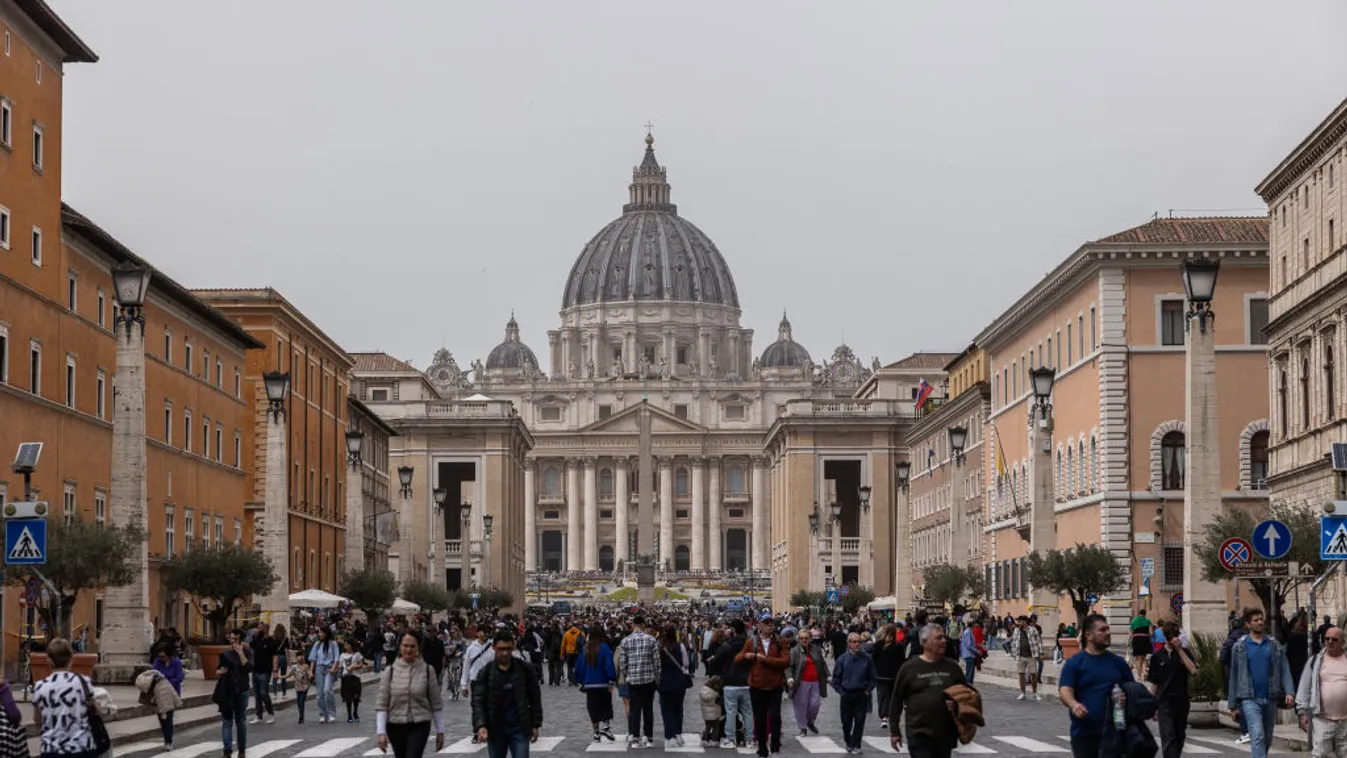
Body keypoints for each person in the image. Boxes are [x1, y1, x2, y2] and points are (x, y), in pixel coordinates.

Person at [1058, 614, 1133, 758]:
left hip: (1116, 731)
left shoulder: (1118, 662)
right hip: (1085, 733)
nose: (1108, 633)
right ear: (1088, 636)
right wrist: (1074, 705)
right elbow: (1065, 690)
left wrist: (1127, 696)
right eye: (1102, 630)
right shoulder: (1075, 663)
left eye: (1108, 629)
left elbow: (1132, 688)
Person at [889, 624, 965, 758]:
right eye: (938, 638)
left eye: (944, 637)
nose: (944, 641)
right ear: (924, 642)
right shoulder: (909, 668)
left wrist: (957, 705)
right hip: (919, 733)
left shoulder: (953, 668)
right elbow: (896, 700)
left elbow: (967, 696)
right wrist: (895, 731)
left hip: (945, 734)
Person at [1228, 607, 1295, 758]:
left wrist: (1290, 692)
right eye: (1256, 620)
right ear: (1248, 624)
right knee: (1257, 735)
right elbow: (1234, 675)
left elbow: (1284, 669)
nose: (1260, 622)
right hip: (1250, 698)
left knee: (1267, 736)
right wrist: (1233, 705)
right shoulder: (1239, 647)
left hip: (1270, 697)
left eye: (1261, 619)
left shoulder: (1274, 645)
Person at [471, 630, 543, 758]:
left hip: (519, 728)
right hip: (495, 728)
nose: (505, 653)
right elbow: (478, 701)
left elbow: (535, 698)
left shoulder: (525, 669)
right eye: (501, 649)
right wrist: (481, 725)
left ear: (513, 647)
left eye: (508, 649)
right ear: (493, 648)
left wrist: (535, 724)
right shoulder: (485, 672)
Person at [376, 632, 446, 758]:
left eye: (412, 646)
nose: (408, 649)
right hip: (395, 725)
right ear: (400, 647)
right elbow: (382, 703)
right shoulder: (390, 671)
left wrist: (440, 731)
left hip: (420, 724)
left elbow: (436, 703)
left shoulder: (427, 670)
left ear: (418, 648)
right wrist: (381, 732)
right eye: (405, 645)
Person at [33, 638, 98, 758]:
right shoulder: (83, 682)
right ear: (71, 659)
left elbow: (38, 720)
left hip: (51, 749)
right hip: (82, 747)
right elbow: (94, 710)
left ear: (49, 660)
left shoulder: (40, 686)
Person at [736, 615, 790, 758]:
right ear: (759, 625)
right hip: (757, 686)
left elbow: (785, 661)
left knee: (775, 717)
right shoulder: (752, 641)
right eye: (766, 623)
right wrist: (746, 656)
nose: (770, 625)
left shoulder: (780, 641)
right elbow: (737, 658)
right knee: (759, 719)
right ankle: (762, 748)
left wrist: (765, 659)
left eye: (771, 623)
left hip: (775, 685)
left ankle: (775, 747)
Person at [1146, 621, 1196, 758]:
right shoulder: (1157, 657)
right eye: (1170, 636)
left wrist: (1180, 650)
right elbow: (1154, 683)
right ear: (1165, 636)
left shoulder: (1184, 652)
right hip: (1164, 702)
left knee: (1179, 736)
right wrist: (1151, 706)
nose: (1173, 639)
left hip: (1181, 701)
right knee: (1168, 737)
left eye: (1175, 635)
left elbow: (1193, 670)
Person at [1295, 625, 1347, 758]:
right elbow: (1304, 687)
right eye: (1327, 638)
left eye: (1334, 639)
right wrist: (1302, 712)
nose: (1330, 642)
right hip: (1322, 719)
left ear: (1342, 642)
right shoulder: (1315, 661)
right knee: (1321, 754)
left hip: (1345, 721)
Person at [618, 616, 661, 748]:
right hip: (649, 679)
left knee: (634, 710)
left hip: (633, 680)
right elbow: (656, 662)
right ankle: (649, 738)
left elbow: (622, 663)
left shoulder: (625, 641)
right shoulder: (651, 639)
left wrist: (628, 674)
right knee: (648, 709)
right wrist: (657, 677)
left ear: (632, 625)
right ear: (643, 625)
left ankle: (636, 738)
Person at [830, 633, 877, 755]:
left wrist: (867, 690)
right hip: (846, 694)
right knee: (846, 722)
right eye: (854, 642)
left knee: (859, 721)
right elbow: (835, 679)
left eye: (859, 642)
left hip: (861, 694)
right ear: (849, 643)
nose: (857, 644)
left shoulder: (867, 658)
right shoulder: (842, 659)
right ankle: (848, 740)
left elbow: (873, 677)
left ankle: (856, 744)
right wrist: (841, 692)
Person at [573, 626, 617, 743]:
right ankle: (606, 727)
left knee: (593, 708)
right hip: (603, 683)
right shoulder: (604, 648)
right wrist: (611, 679)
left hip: (589, 684)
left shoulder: (585, 649)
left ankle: (596, 732)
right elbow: (609, 665)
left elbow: (579, 667)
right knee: (606, 705)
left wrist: (579, 680)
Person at [215, 628, 255, 758]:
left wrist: (240, 652)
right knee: (227, 721)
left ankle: (242, 749)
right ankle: (227, 751)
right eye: (231, 639)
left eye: (235, 639)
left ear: (240, 640)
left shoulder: (248, 652)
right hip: (228, 690)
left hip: (242, 690)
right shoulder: (226, 653)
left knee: (240, 721)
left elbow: (248, 668)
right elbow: (217, 670)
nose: (232, 642)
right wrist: (221, 672)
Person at [716, 619, 754, 749]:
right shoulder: (750, 643)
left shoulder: (727, 644)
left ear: (733, 630)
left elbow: (717, 661)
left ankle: (731, 738)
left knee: (731, 712)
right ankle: (749, 739)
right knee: (748, 712)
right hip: (746, 682)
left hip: (730, 682)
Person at [786, 628, 829, 736]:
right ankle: (803, 727)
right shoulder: (794, 651)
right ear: (798, 639)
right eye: (801, 638)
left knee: (815, 704)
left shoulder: (816, 649)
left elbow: (822, 663)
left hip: (815, 681)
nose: (804, 640)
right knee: (801, 706)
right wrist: (790, 678)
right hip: (801, 682)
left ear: (810, 639)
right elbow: (789, 666)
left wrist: (828, 675)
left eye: (806, 638)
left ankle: (810, 721)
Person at [657, 626, 693, 746]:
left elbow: (657, 665)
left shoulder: (660, 647)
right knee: (678, 708)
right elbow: (686, 663)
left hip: (665, 681)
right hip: (679, 680)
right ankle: (678, 733)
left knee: (666, 709)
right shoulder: (680, 646)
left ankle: (669, 736)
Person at [151, 644, 186, 749]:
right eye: (159, 656)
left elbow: (179, 678)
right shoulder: (157, 662)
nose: (161, 658)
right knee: (161, 717)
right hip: (159, 693)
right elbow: (154, 673)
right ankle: (166, 737)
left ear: (169, 655)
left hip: (171, 693)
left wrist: (165, 681)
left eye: (163, 656)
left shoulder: (176, 662)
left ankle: (168, 741)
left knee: (168, 717)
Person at [870, 624, 903, 731]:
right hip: (886, 676)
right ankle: (887, 716)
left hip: (888, 675)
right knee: (887, 697)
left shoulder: (895, 646)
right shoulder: (881, 645)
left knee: (887, 697)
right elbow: (873, 659)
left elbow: (901, 661)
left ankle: (887, 716)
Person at [308, 627, 341, 724]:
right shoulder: (317, 644)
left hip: (329, 669)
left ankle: (331, 713)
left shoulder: (333, 644)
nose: (319, 634)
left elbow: (337, 658)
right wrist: (311, 671)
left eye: (321, 632)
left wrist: (333, 668)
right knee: (319, 694)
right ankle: (322, 714)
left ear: (326, 633)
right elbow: (313, 659)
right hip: (319, 669)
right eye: (319, 632)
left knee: (327, 690)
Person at [1008, 615, 1043, 702]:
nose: (1018, 623)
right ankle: (1023, 693)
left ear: (1024, 621)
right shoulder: (1016, 630)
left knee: (1033, 674)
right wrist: (1013, 653)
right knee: (1021, 674)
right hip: (1020, 656)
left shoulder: (1032, 629)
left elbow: (1038, 641)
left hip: (1031, 655)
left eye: (1020, 621)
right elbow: (1013, 642)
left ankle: (1035, 693)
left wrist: (1041, 652)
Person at [249, 623, 278, 725]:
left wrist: (275, 670)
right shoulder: (256, 640)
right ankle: (258, 716)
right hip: (255, 670)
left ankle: (270, 714)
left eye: (260, 628)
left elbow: (275, 656)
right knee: (257, 695)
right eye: (258, 628)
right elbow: (248, 645)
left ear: (266, 629)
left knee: (264, 694)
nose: (258, 629)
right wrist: (253, 636)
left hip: (265, 671)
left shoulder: (271, 641)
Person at [339, 639, 368, 723]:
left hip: (355, 677)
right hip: (346, 677)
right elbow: (340, 666)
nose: (345, 646)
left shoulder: (357, 654)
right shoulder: (342, 655)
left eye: (347, 644)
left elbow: (361, 665)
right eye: (345, 644)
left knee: (356, 697)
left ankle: (355, 713)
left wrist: (353, 667)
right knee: (348, 698)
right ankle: (349, 715)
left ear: (351, 645)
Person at [699, 675, 726, 748]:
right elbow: (719, 702)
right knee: (716, 728)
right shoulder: (715, 694)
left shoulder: (704, 690)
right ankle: (714, 741)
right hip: (715, 714)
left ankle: (704, 740)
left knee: (707, 727)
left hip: (706, 715)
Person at [288, 658, 313, 724]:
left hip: (305, 687)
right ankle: (301, 715)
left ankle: (301, 717)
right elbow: (289, 675)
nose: (299, 658)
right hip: (298, 687)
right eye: (298, 657)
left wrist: (310, 675)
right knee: (299, 702)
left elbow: (310, 673)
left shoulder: (306, 666)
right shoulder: (294, 667)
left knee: (301, 701)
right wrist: (281, 676)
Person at [1129, 610, 1152, 679]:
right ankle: (1144, 674)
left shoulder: (1134, 621)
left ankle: (1139, 676)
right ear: (1145, 614)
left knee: (1138, 659)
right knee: (1144, 658)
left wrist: (1128, 642)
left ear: (1139, 614)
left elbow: (1130, 633)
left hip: (1136, 640)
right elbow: (1151, 633)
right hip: (1145, 640)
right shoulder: (1148, 621)